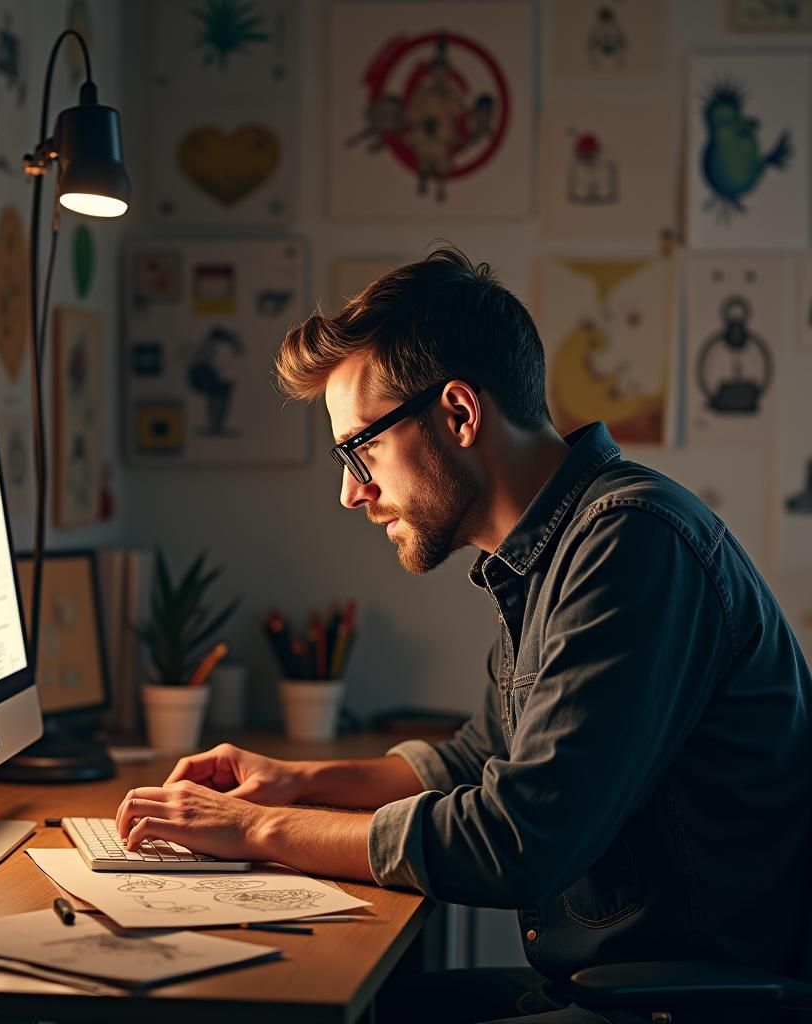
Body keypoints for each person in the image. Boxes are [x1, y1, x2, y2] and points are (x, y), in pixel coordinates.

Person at [115, 249, 812, 1022]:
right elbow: (475, 760)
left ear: (458, 413)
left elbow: (518, 839)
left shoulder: (630, 545)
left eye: (361, 449)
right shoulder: (545, 555)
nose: (352, 492)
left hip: (684, 1005)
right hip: (606, 989)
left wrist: (261, 829)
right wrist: (295, 780)